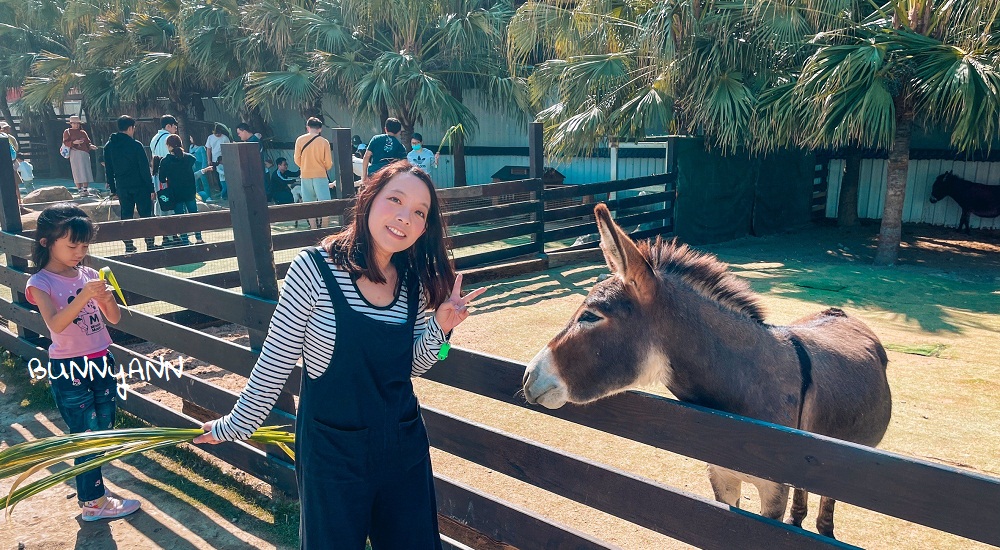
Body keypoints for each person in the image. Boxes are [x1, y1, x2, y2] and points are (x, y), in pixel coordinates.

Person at [194, 161, 486, 549]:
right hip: (332, 453)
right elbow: (274, 363)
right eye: (395, 200)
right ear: (368, 198)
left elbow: (410, 365)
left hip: (402, 444)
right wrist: (235, 425)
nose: (405, 217)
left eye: (419, 212)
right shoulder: (314, 269)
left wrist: (441, 328)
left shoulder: (412, 281)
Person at [25, 204, 141, 521]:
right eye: (72, 245)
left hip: (102, 357)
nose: (80, 252)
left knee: (102, 428)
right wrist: (84, 296)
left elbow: (114, 318)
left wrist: (104, 298)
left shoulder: (89, 274)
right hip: (70, 366)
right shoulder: (40, 282)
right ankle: (92, 502)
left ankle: (93, 493)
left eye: (84, 245)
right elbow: (56, 325)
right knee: (86, 434)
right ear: (47, 242)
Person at [104, 115, 158, 253]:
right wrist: (150, 187)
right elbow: (144, 169)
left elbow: (108, 169)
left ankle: (128, 244)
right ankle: (150, 244)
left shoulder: (109, 146)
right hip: (140, 185)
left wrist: (113, 188)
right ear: (130, 128)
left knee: (126, 214)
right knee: (145, 214)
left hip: (122, 185)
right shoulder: (135, 145)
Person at [158, 134, 213, 245]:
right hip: (190, 191)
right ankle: (199, 238)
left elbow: (161, 179)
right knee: (194, 215)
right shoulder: (189, 158)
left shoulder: (165, 162)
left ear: (169, 146)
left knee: (180, 217)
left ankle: (184, 239)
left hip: (175, 193)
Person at [293, 117, 333, 228]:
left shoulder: (300, 140)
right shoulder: (324, 142)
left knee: (309, 204)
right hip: (320, 175)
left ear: (307, 128)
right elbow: (328, 163)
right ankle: (325, 228)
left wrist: (305, 166)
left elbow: (296, 159)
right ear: (320, 129)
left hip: (305, 175)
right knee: (325, 204)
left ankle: (313, 228)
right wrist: (322, 167)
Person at [150, 115, 179, 247]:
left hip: (157, 178)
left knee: (161, 207)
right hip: (168, 178)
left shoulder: (154, 139)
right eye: (174, 126)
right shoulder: (168, 139)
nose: (175, 129)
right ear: (168, 126)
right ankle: (173, 236)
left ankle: (166, 236)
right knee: (171, 207)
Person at [362, 118, 406, 185]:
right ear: (399, 132)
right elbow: (404, 163)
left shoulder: (375, 139)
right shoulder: (400, 146)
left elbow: (366, 156)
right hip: (390, 175)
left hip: (374, 174)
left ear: (385, 129)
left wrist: (364, 176)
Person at [62, 115, 98, 196]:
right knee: (77, 171)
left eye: (78, 123)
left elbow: (88, 142)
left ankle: (85, 189)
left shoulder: (83, 132)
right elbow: (65, 142)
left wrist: (91, 146)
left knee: (86, 170)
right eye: (74, 123)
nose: (76, 125)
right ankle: (79, 189)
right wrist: (74, 142)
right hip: (74, 152)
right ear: (71, 124)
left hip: (84, 153)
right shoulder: (67, 132)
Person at [205, 123, 231, 199]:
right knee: (217, 176)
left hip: (224, 159)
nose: (217, 134)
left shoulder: (225, 138)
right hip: (214, 159)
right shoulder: (210, 138)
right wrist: (209, 159)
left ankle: (225, 192)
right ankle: (221, 191)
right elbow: (208, 149)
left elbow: (229, 148)